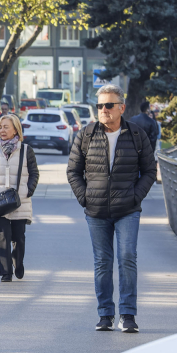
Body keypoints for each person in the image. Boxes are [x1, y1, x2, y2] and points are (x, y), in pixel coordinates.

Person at [67, 84, 156, 334]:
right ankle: (105, 314)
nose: (103, 110)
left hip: (128, 209)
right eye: (100, 106)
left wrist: (135, 196)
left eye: (108, 105)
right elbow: (73, 171)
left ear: (121, 108)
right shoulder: (86, 135)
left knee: (127, 258)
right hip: (96, 212)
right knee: (102, 262)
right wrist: (85, 198)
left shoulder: (137, 135)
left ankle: (127, 315)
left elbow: (149, 170)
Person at [0, 114, 39, 282]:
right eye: (0, 127)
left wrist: (29, 190)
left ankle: (18, 262)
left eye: (6, 127)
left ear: (16, 129)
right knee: (3, 238)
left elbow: (34, 173)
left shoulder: (26, 150)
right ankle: (6, 272)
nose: (2, 130)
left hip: (20, 201)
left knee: (19, 238)